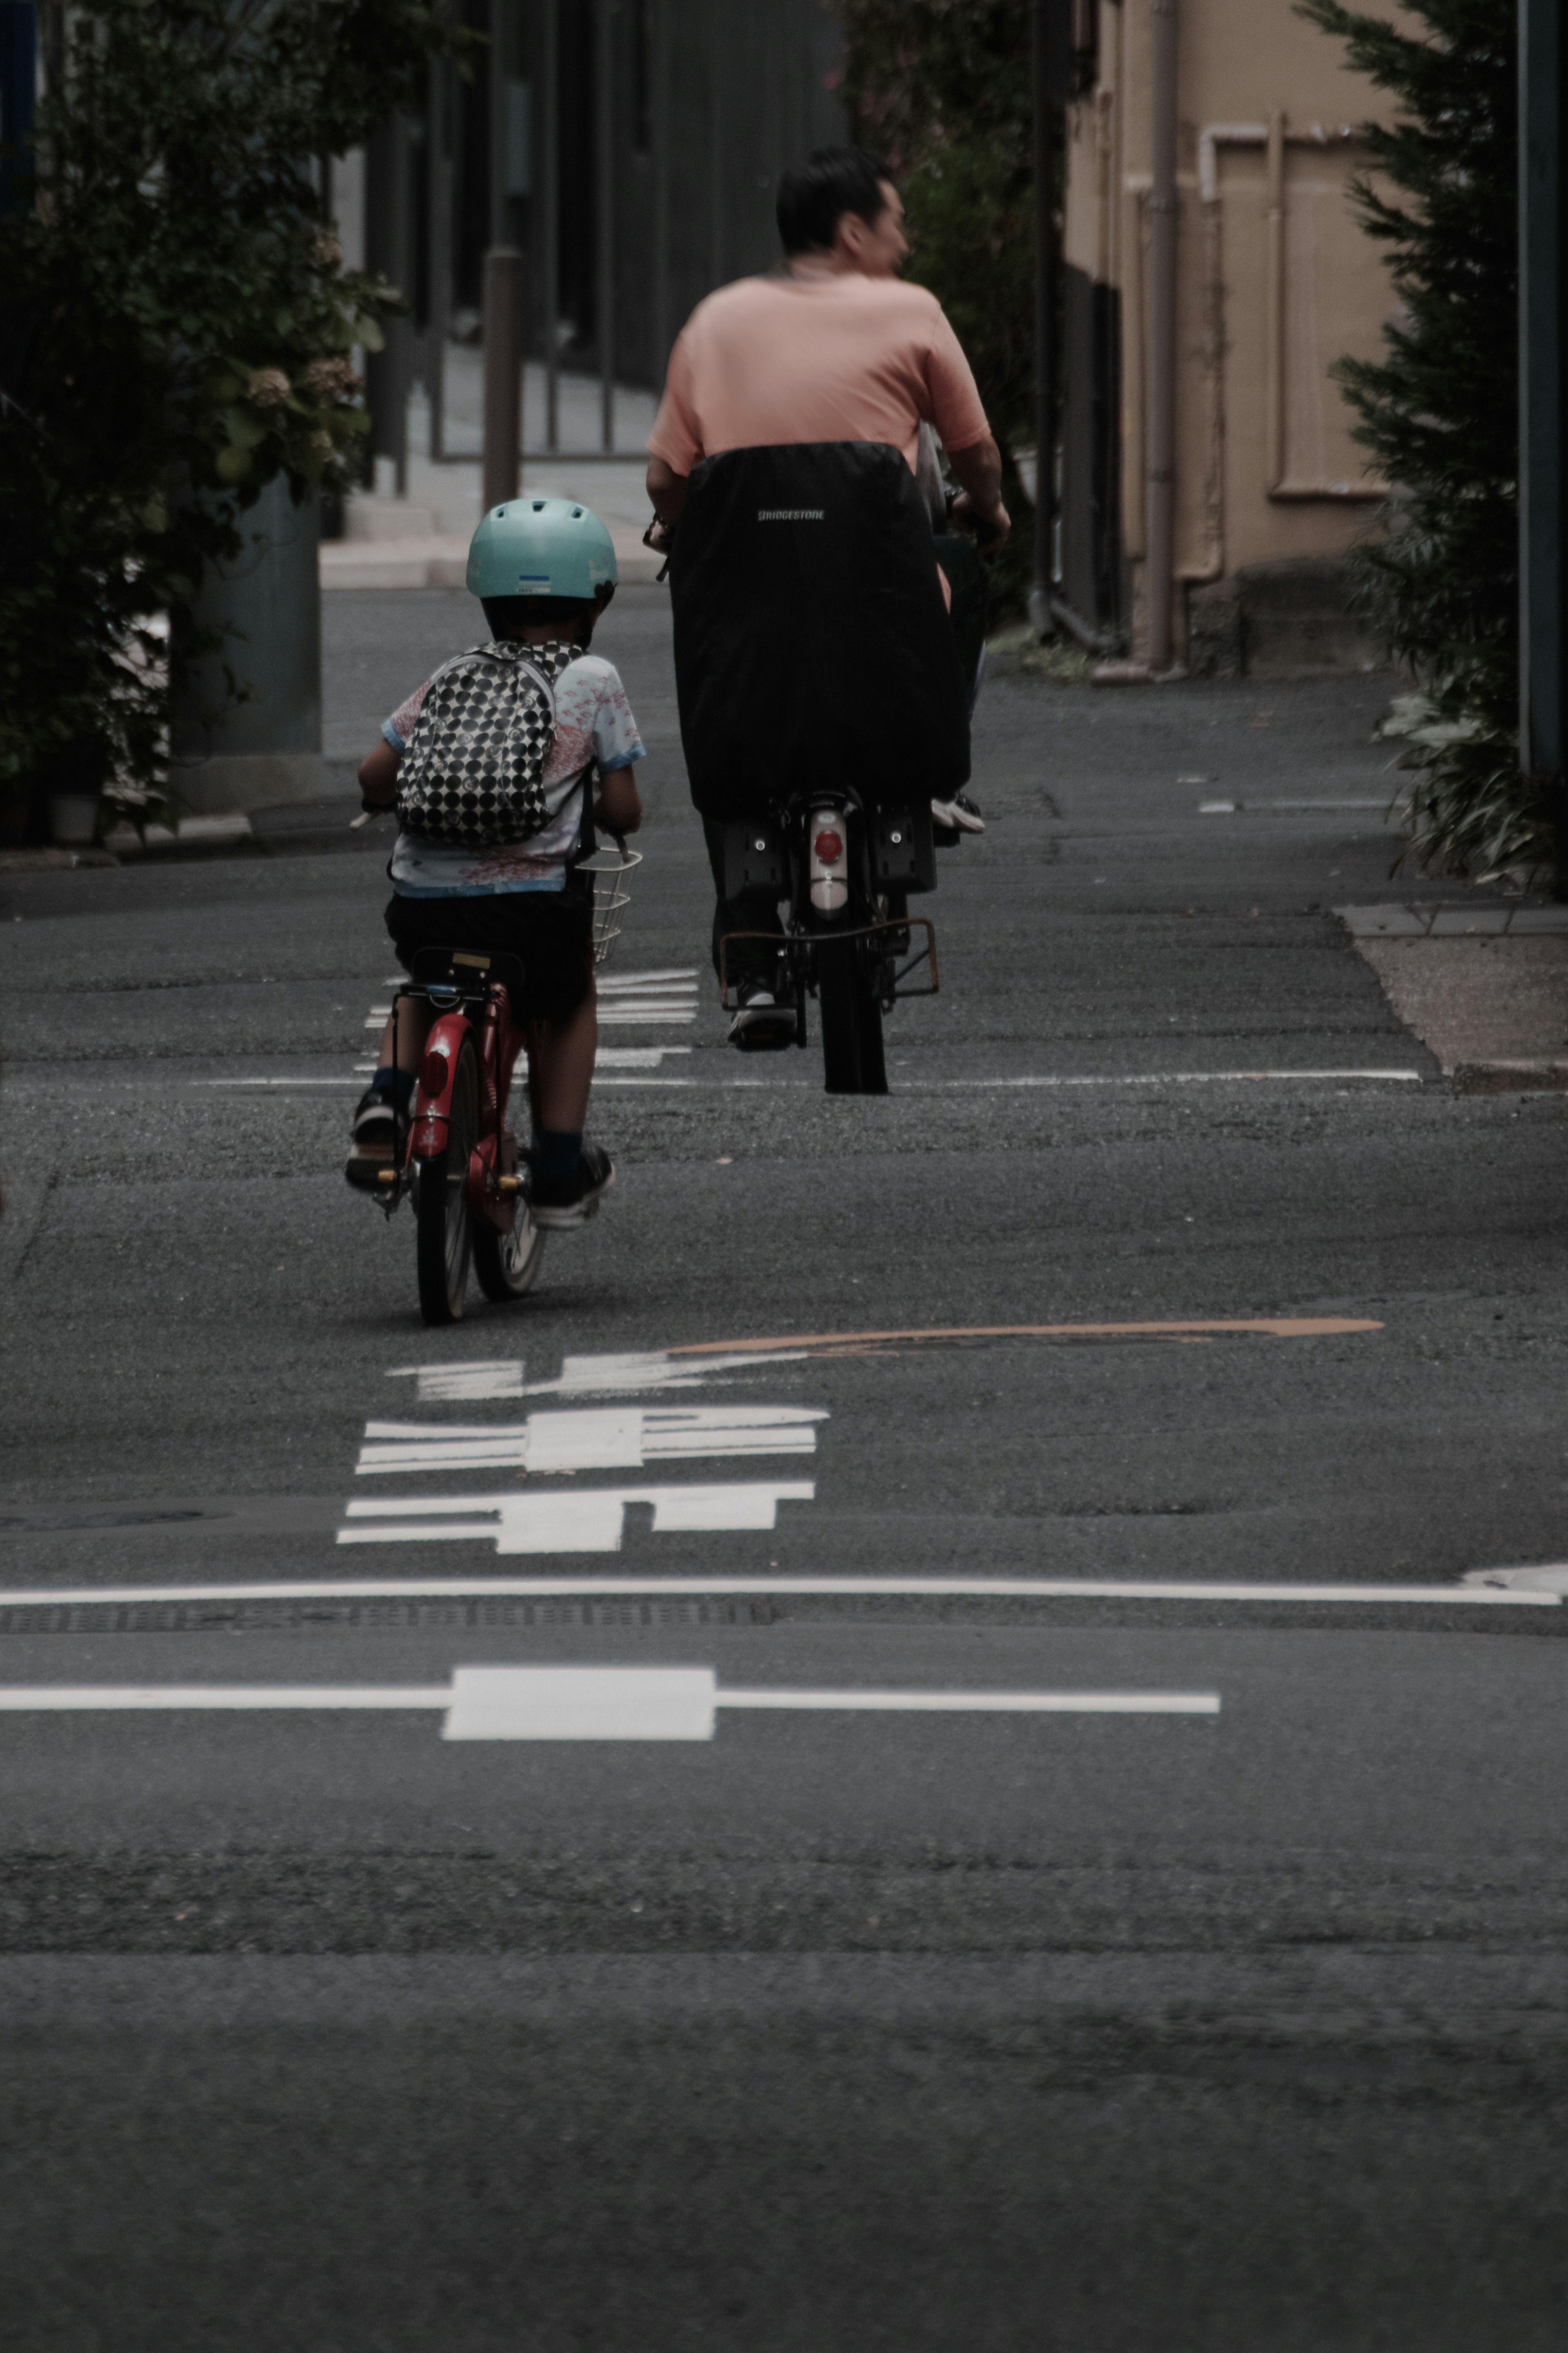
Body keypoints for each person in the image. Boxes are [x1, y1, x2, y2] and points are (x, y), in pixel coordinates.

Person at [644, 145, 1009, 1047]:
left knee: (730, 741)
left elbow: (664, 478)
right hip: (878, 585)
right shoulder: (908, 309)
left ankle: (756, 957)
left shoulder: (715, 318)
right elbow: (976, 454)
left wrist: (688, 521)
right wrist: (987, 511)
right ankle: (934, 777)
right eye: (895, 223)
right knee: (962, 577)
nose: (906, 240)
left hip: (744, 593)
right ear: (853, 234)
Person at [346, 498, 644, 1227]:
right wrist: (595, 804)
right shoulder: (594, 677)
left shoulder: (454, 672)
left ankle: (384, 1103)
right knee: (568, 998)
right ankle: (562, 1170)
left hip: (424, 899)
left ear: (490, 602)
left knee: (424, 984)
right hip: (535, 909)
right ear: (594, 602)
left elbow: (372, 777)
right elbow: (626, 809)